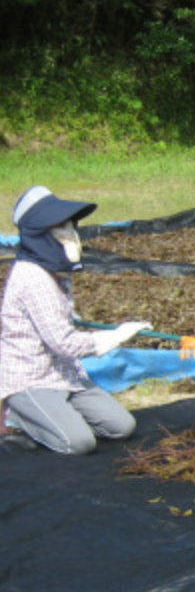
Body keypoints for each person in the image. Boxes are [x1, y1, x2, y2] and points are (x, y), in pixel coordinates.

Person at [2, 186, 150, 455]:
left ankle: (58, 414)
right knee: (79, 443)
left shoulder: (54, 271)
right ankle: (17, 417)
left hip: (65, 373)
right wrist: (115, 336)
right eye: (60, 226)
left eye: (70, 224)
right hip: (30, 377)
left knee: (121, 426)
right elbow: (64, 343)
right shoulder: (33, 278)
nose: (69, 232)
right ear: (39, 234)